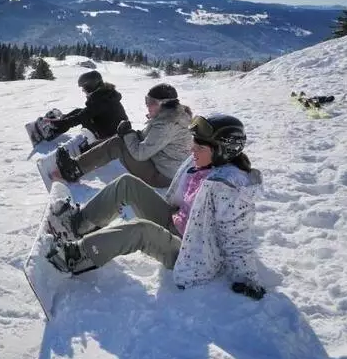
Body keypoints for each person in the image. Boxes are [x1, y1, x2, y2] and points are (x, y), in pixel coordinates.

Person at [44, 113, 265, 298]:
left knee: (140, 230)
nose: (192, 151)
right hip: (175, 222)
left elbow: (236, 238)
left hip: (191, 253)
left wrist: (247, 278)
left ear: (222, 151)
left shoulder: (231, 189)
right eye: (193, 145)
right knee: (126, 184)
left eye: (199, 148)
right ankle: (78, 224)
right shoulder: (200, 163)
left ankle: (75, 257)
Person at [55, 83, 192, 188]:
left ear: (165, 105)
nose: (147, 106)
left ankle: (74, 170)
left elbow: (140, 154)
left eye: (151, 102)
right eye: (147, 100)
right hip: (163, 166)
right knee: (123, 138)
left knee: (119, 144)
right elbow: (146, 140)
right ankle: (86, 153)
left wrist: (128, 134)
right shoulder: (169, 117)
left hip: (162, 176)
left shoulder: (167, 124)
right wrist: (130, 134)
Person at [45, 70, 129, 143]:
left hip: (110, 138)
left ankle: (54, 128)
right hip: (115, 131)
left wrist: (56, 124)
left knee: (82, 117)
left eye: (84, 88)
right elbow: (87, 112)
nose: (83, 90)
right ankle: (61, 121)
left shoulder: (101, 100)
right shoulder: (105, 94)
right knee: (80, 111)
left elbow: (81, 117)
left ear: (90, 86)